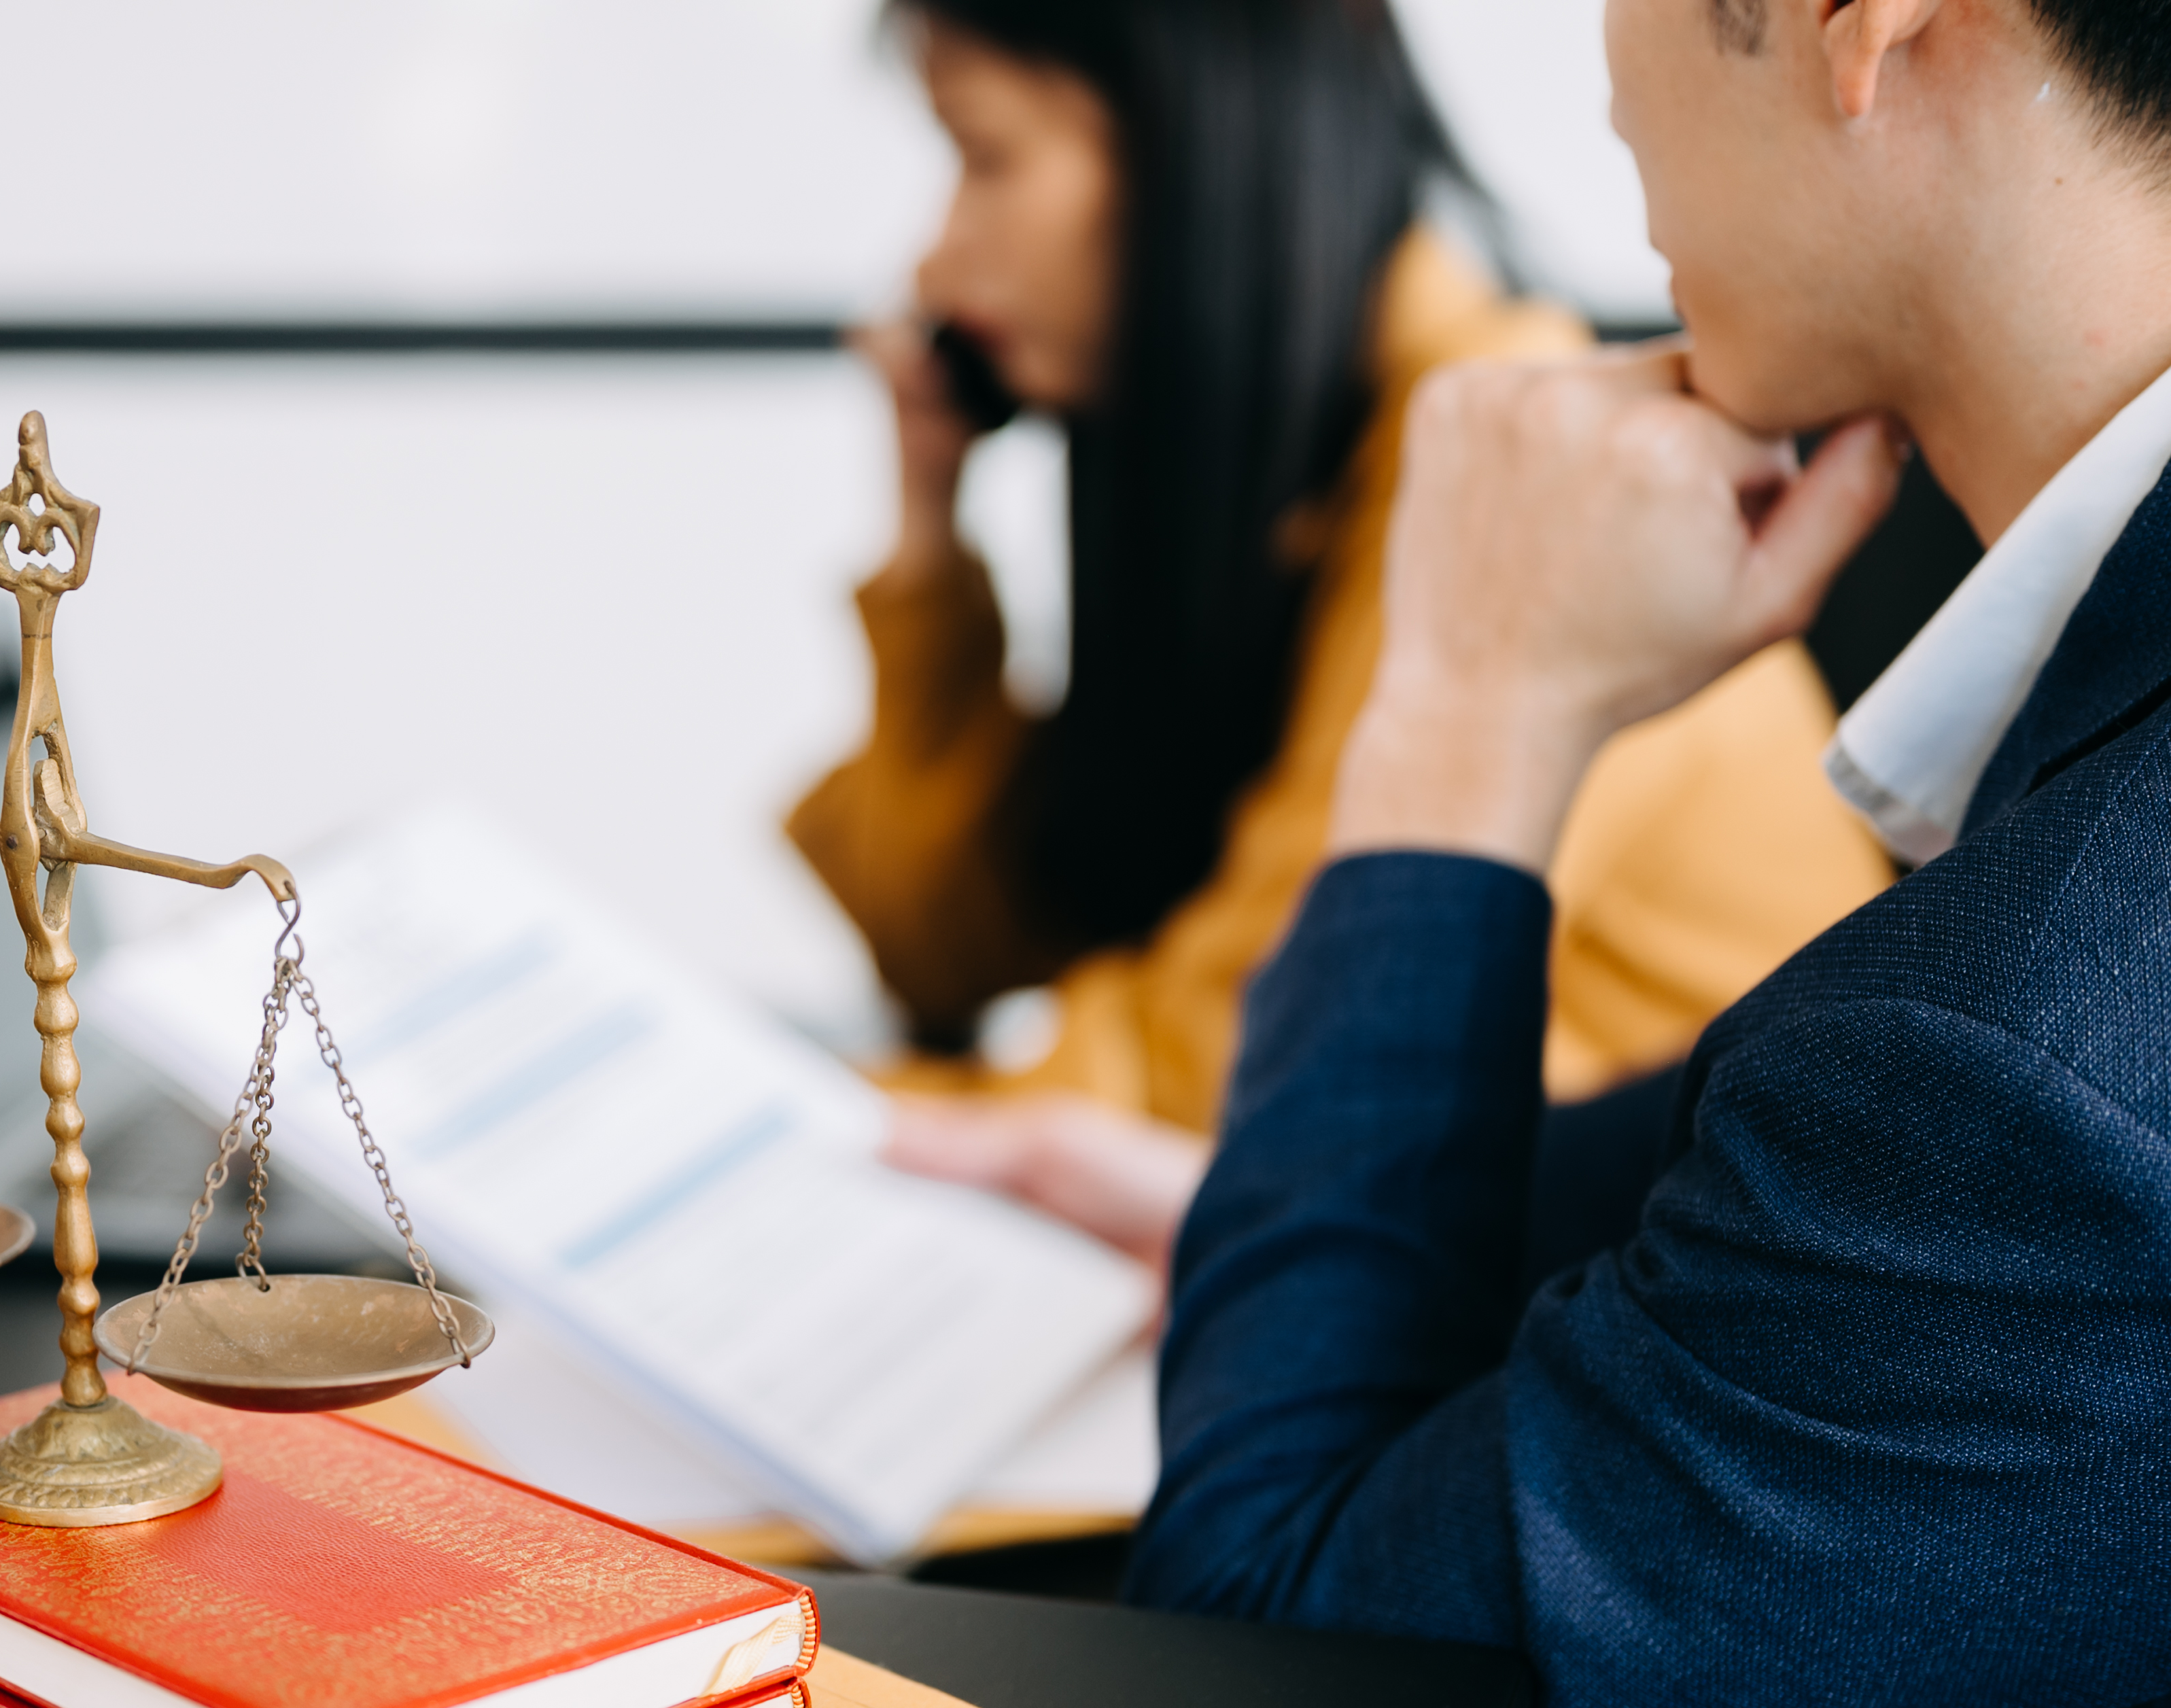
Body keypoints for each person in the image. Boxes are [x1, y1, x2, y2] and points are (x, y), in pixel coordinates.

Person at [914, 0, 2171, 1708]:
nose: (1594, 74)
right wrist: (1237, 1206)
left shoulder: (2051, 1062)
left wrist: (1468, 721)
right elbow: (1793, 1190)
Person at [793, 0, 1894, 1225]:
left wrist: (795, 1125)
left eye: (985, 156)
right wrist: (929, 524)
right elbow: (948, 941)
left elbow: (1231, 1072)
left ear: (1195, 145)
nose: (935, 262)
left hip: (1696, 1305)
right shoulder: (1259, 470)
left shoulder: (1522, 459)